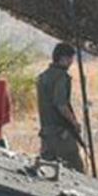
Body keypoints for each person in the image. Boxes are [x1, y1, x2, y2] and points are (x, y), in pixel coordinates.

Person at [36, 42, 85, 173]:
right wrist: (74, 123)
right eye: (70, 58)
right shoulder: (61, 77)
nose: (71, 62)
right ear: (63, 58)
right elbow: (61, 105)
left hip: (47, 133)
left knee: (46, 171)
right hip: (61, 133)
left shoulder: (43, 76)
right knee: (77, 170)